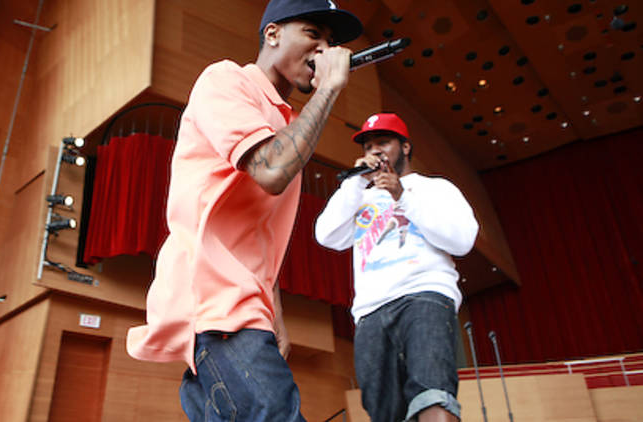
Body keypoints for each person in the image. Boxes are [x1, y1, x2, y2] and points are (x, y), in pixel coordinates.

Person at [126, 1, 362, 420]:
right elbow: (272, 170)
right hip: (214, 303)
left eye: (331, 42)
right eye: (313, 34)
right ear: (272, 34)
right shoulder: (226, 80)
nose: (325, 50)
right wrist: (327, 90)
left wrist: (273, 313)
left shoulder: (281, 120)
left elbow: (254, 231)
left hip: (241, 306)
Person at [315, 113, 479, 422]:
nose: (375, 151)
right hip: (371, 310)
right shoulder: (359, 198)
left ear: (405, 147)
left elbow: (462, 241)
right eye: (368, 146)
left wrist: (402, 197)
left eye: (383, 143)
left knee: (433, 394)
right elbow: (327, 236)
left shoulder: (435, 188)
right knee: (383, 411)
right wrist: (354, 185)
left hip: (424, 296)